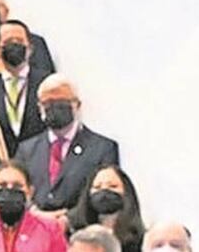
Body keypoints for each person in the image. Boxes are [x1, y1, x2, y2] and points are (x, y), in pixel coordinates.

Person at [13, 74, 120, 214]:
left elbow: (104, 197)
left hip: (81, 229)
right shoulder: (26, 150)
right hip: (35, 228)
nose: (54, 107)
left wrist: (68, 219)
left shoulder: (103, 149)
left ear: (77, 105)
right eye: (48, 103)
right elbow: (17, 189)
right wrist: (38, 215)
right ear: (39, 107)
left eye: (61, 102)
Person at [68, 165, 149, 252]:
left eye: (113, 186)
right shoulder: (73, 235)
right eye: (97, 187)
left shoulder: (139, 241)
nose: (104, 191)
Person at [0, 19, 50, 157]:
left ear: (30, 48)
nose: (14, 45)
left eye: (19, 41)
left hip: (40, 162)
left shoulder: (46, 83)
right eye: (8, 42)